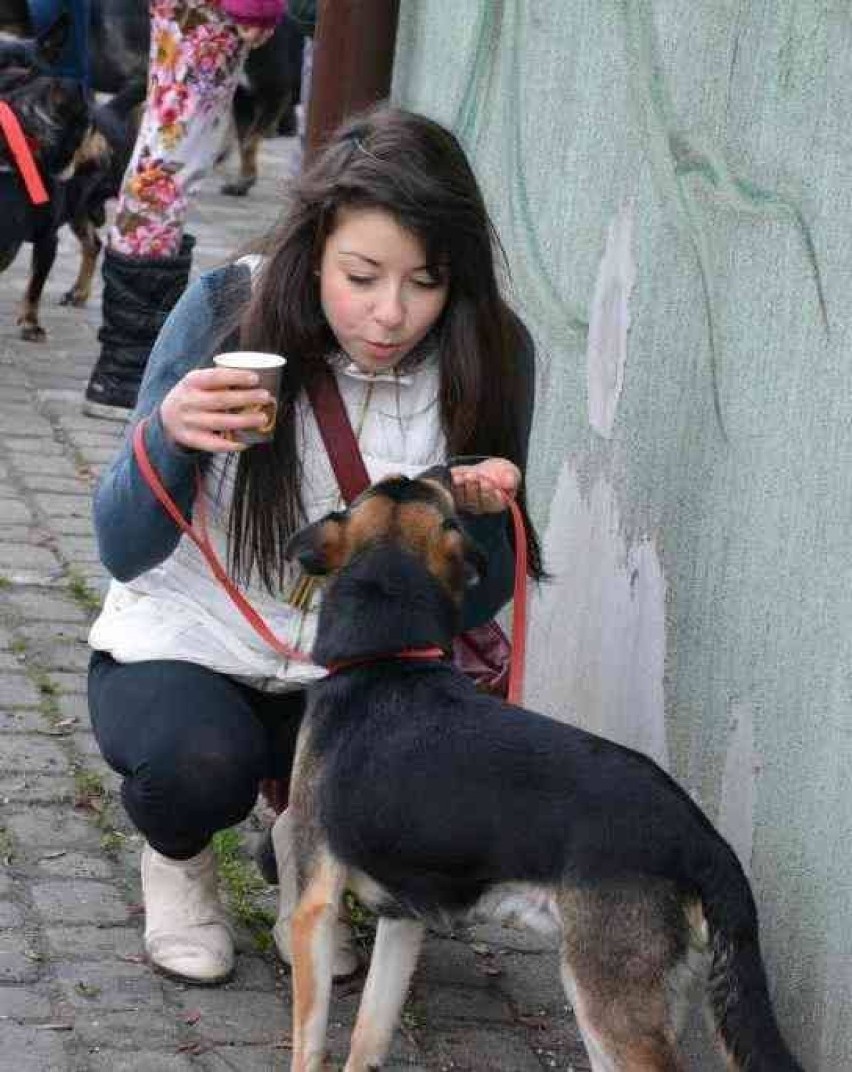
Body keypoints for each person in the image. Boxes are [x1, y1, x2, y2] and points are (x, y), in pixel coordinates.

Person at [87, 104, 545, 985]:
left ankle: (312, 848)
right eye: (362, 275)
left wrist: (485, 519)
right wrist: (169, 437)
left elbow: (479, 606)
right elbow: (121, 543)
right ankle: (180, 861)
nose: (390, 313)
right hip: (195, 641)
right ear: (316, 248)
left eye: (425, 281)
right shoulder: (229, 309)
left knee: (423, 790)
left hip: (352, 672)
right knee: (197, 765)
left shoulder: (490, 352)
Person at [82, 0, 287, 420]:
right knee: (168, 167)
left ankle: (128, 367)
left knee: (167, 157)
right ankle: (126, 370)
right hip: (208, 12)